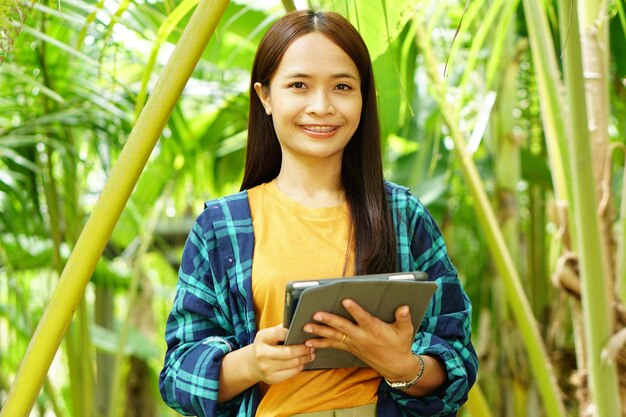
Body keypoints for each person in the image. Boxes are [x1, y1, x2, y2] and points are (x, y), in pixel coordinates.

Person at [159, 9, 477, 417]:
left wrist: (403, 366)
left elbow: (458, 357)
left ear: (364, 97)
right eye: (299, 85)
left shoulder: (403, 214)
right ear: (266, 96)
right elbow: (176, 375)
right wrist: (251, 363)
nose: (322, 106)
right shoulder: (221, 227)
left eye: (342, 86)